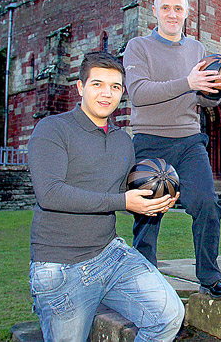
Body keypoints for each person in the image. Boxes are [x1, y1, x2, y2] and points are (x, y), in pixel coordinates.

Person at [27, 52, 184, 342]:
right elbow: (50, 194)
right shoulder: (52, 129)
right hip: (61, 265)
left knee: (169, 315)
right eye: (97, 84)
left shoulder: (123, 141)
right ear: (80, 87)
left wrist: (154, 202)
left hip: (109, 255)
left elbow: (123, 195)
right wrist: (124, 201)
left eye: (115, 87)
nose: (106, 93)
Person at [123, 0, 221, 300]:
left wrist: (220, 91)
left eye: (178, 9)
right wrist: (188, 82)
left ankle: (210, 277)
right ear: (155, 11)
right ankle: (145, 280)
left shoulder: (197, 50)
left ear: (186, 12)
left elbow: (202, 100)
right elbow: (139, 93)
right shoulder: (138, 47)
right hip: (150, 139)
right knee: (148, 213)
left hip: (189, 140)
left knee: (206, 203)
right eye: (165, 8)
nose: (172, 14)